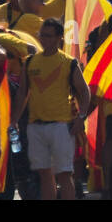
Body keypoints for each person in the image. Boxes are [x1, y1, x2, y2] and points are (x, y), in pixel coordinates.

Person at [9, 17, 91, 200]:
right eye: (41, 35)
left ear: (59, 38)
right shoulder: (30, 62)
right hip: (35, 125)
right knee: (44, 173)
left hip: (61, 126)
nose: (43, 39)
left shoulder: (68, 62)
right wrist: (14, 120)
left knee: (64, 173)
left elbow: (84, 92)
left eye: (48, 36)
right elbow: (22, 93)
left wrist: (81, 117)